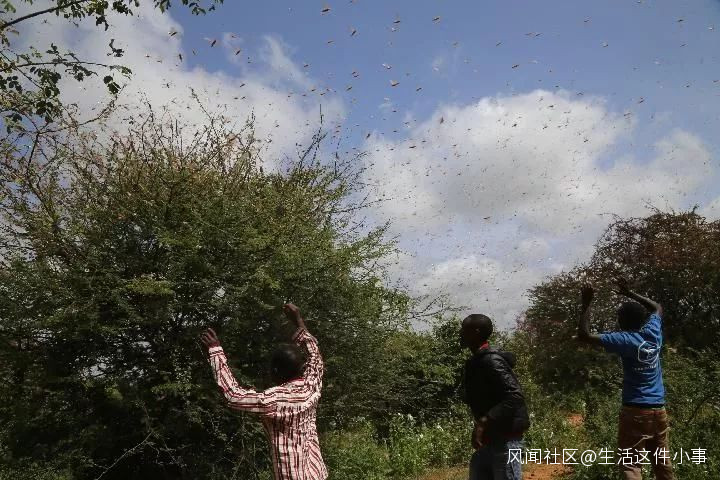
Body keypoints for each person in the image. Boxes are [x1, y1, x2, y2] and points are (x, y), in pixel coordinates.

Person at [200, 303, 327, 480]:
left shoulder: (276, 400)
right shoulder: (312, 384)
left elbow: (234, 396)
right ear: (301, 368)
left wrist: (215, 351)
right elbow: (315, 356)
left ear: (276, 372)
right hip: (316, 474)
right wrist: (298, 321)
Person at [577, 279, 674, 480]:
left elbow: (585, 335)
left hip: (635, 411)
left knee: (631, 465)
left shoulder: (624, 340)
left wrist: (586, 303)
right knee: (662, 463)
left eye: (619, 318)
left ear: (624, 321)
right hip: (659, 410)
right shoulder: (653, 332)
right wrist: (630, 293)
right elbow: (657, 307)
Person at [460, 313, 530, 480]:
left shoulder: (491, 361)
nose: (461, 333)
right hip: (489, 440)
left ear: (476, 332)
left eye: (464, 329)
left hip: (506, 441)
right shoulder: (476, 362)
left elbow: (514, 396)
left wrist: (482, 423)